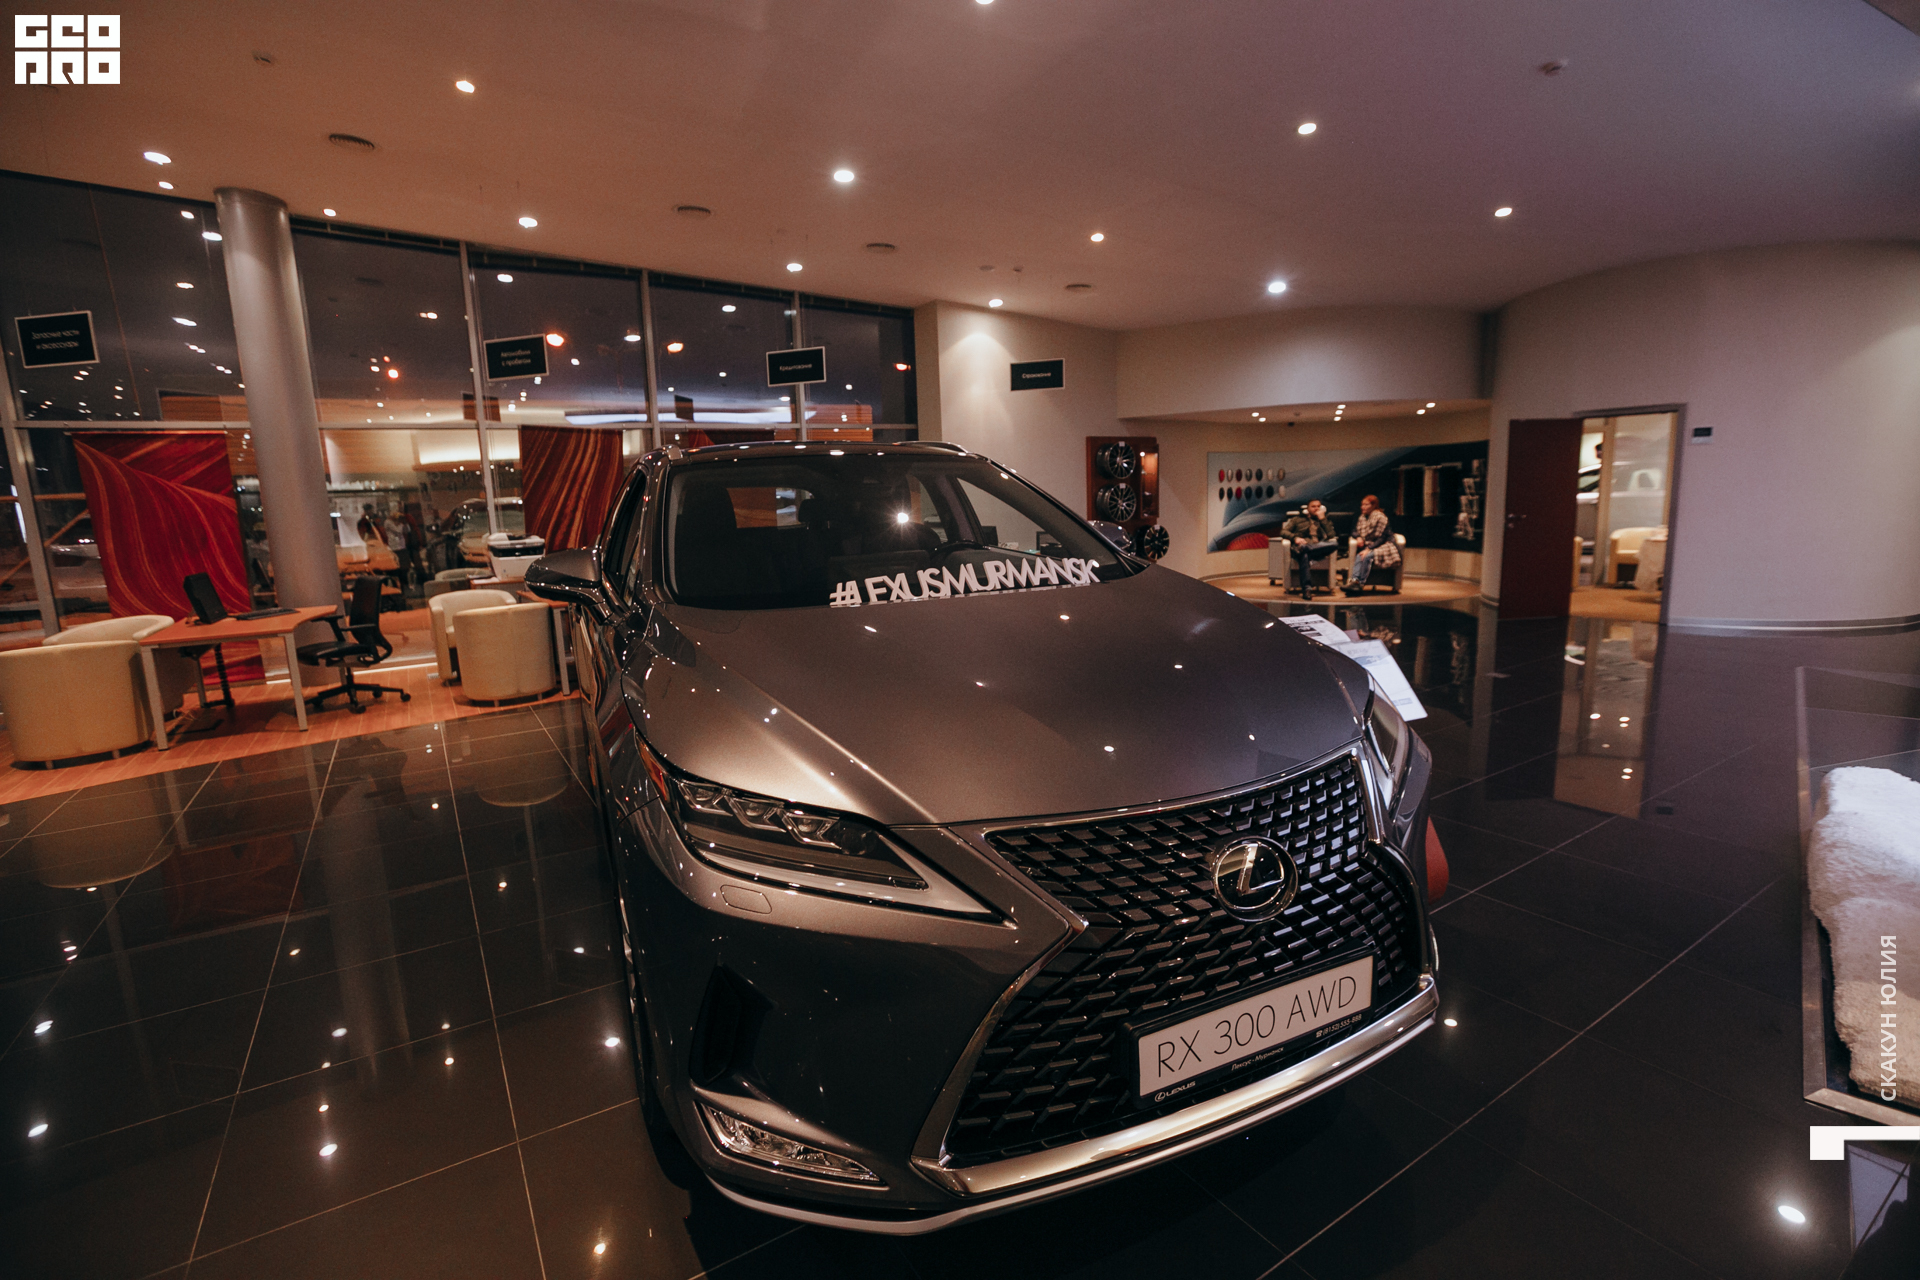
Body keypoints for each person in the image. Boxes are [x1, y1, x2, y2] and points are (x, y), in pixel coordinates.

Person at [1278, 499, 1338, 598]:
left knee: (1334, 544)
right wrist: (1295, 538)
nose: (1316, 508)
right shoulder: (1297, 519)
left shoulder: (1324, 520)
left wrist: (1322, 519)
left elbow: (1331, 535)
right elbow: (1283, 532)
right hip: (1299, 548)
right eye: (1313, 506)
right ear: (1307, 508)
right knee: (1304, 555)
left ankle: (1307, 548)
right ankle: (1307, 589)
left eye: (1318, 506)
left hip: (1316, 549)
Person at [1346, 494, 1400, 595]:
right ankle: (1354, 582)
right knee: (1359, 556)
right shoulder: (1362, 517)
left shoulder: (1381, 517)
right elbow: (1354, 531)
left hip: (1384, 545)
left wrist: (1369, 549)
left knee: (1366, 556)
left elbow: (1382, 538)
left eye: (1366, 505)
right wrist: (1358, 537)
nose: (1363, 507)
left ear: (1373, 505)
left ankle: (1360, 584)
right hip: (1370, 544)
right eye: (1362, 505)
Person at [383, 510, 417, 581]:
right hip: (394, 548)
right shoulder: (388, 522)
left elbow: (407, 530)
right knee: (397, 568)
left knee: (405, 567)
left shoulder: (400, 524)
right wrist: (400, 523)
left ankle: (405, 581)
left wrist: (405, 523)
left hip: (402, 547)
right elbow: (398, 531)